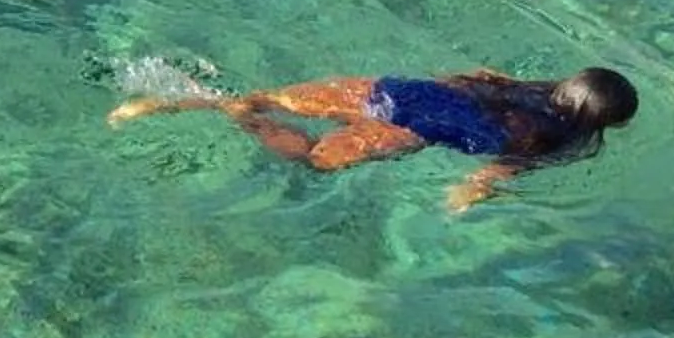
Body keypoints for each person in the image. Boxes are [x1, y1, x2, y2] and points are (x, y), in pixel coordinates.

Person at [109, 65, 638, 212]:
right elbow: (500, 168)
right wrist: (468, 195)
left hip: (399, 90)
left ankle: (180, 98)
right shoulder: (564, 140)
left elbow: (474, 74)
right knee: (314, 161)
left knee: (264, 96)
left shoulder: (528, 88)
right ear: (603, 122)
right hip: (415, 127)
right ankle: (228, 115)